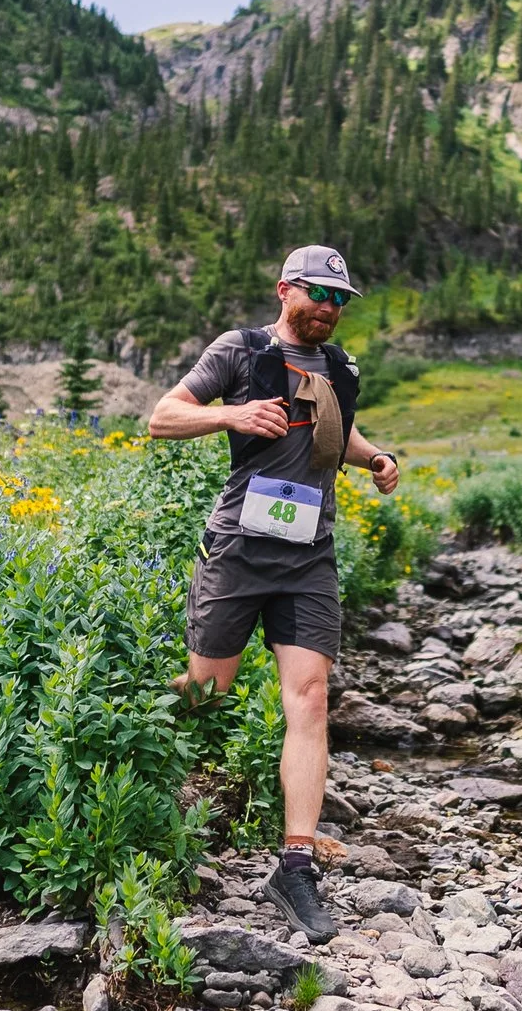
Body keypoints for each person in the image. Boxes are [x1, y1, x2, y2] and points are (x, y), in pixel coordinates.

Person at [148, 245, 400, 939]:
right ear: (285, 289)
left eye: (340, 298)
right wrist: (230, 416)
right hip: (237, 551)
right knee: (207, 693)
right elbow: (161, 416)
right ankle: (135, 743)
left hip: (309, 557)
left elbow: (338, 433)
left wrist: (375, 457)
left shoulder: (341, 369)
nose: (328, 306)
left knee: (311, 695)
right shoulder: (243, 350)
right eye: (318, 292)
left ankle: (294, 866)